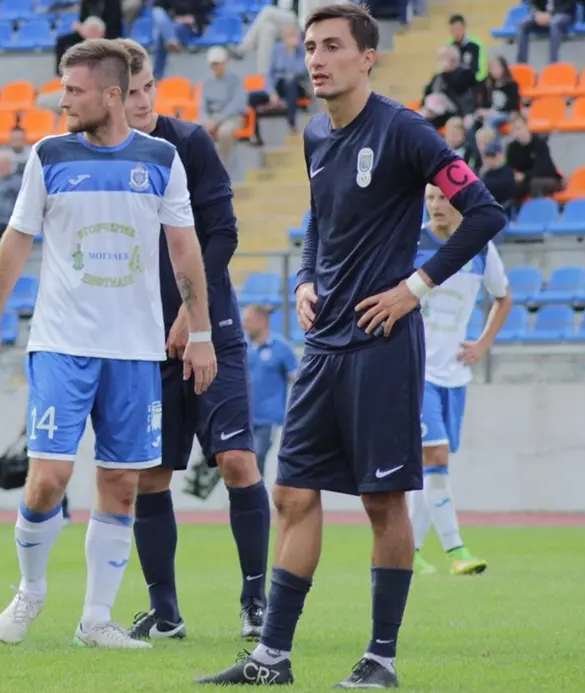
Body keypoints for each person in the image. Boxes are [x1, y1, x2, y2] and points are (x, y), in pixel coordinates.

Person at [195, 5, 506, 688]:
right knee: (293, 494)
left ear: (368, 57)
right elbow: (319, 221)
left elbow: (484, 209)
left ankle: (381, 659)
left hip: (384, 346)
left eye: (332, 46)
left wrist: (415, 288)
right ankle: (272, 657)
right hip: (323, 346)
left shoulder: (405, 131)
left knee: (381, 502)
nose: (316, 58)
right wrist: (306, 278)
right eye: (309, 47)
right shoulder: (314, 133)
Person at [0, 38, 217, 650]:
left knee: (122, 484)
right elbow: (16, 243)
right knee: (47, 477)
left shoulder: (161, 158)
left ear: (111, 95)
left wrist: (201, 330)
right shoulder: (48, 154)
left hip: (134, 351)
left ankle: (96, 619)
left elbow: (186, 249)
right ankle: (30, 590)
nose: (62, 99)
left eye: (73, 90)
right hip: (61, 343)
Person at [114, 37, 271, 643]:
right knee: (149, 478)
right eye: (129, 93)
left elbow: (225, 234)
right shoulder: (94, 161)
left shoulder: (190, 143)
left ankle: (255, 600)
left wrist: (190, 312)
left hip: (214, 332)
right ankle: (166, 611)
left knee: (236, 460)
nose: (143, 99)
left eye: (148, 86)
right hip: (140, 344)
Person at [410, 184, 513, 577]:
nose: (436, 205)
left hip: (454, 373)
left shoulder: (481, 247)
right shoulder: (410, 241)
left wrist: (483, 343)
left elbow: (503, 297)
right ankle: (456, 549)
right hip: (416, 371)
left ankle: (410, 549)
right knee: (435, 457)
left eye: (443, 198)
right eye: (431, 198)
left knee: (431, 464)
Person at [242, 304, 298, 474]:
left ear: (262, 320)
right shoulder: (242, 347)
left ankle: (255, 498)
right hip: (242, 415)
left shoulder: (281, 347)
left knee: (257, 456)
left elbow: (296, 380)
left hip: (268, 418)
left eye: (248, 321)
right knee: (239, 459)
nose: (244, 325)